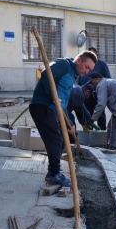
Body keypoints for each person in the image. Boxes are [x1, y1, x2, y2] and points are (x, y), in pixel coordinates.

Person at [29, 51, 96, 187]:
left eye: (90, 69)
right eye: (87, 67)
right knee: (56, 139)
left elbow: (63, 103)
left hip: (52, 110)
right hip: (43, 106)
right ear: (79, 61)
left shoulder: (72, 76)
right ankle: (53, 174)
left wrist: (69, 123)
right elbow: (46, 74)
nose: (87, 72)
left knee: (61, 140)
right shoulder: (64, 65)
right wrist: (52, 96)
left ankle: (55, 171)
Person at [79, 47, 111, 130]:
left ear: (96, 55)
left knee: (100, 115)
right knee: (86, 114)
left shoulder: (102, 65)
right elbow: (79, 78)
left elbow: (107, 78)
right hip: (86, 95)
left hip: (98, 94)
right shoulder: (83, 64)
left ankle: (102, 134)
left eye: (93, 54)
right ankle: (89, 134)